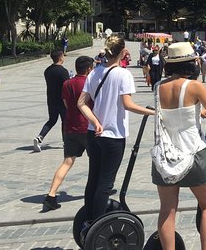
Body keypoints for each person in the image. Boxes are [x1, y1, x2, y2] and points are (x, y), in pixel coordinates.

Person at [153, 42, 206, 250]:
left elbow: (173, 112)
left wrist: (197, 112)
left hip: (166, 155)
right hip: (194, 152)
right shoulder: (194, 86)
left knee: (167, 210)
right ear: (190, 63)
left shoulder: (158, 87)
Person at [76, 35, 155, 234]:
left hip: (93, 133)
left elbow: (81, 103)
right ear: (122, 51)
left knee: (93, 178)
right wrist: (153, 112)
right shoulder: (123, 74)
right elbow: (128, 105)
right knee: (105, 183)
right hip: (113, 135)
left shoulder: (94, 73)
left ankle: (88, 221)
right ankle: (97, 225)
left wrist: (94, 121)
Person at [42, 55, 94, 210]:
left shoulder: (67, 84)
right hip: (87, 127)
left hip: (70, 127)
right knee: (96, 162)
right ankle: (95, 192)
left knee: (67, 162)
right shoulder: (90, 83)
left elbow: (66, 103)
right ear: (89, 69)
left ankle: (51, 195)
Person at [34, 50, 70, 152]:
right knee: (65, 120)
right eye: (63, 56)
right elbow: (67, 86)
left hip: (51, 99)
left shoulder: (47, 70)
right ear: (60, 57)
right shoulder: (63, 71)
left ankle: (40, 137)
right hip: (62, 100)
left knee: (52, 120)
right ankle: (65, 142)